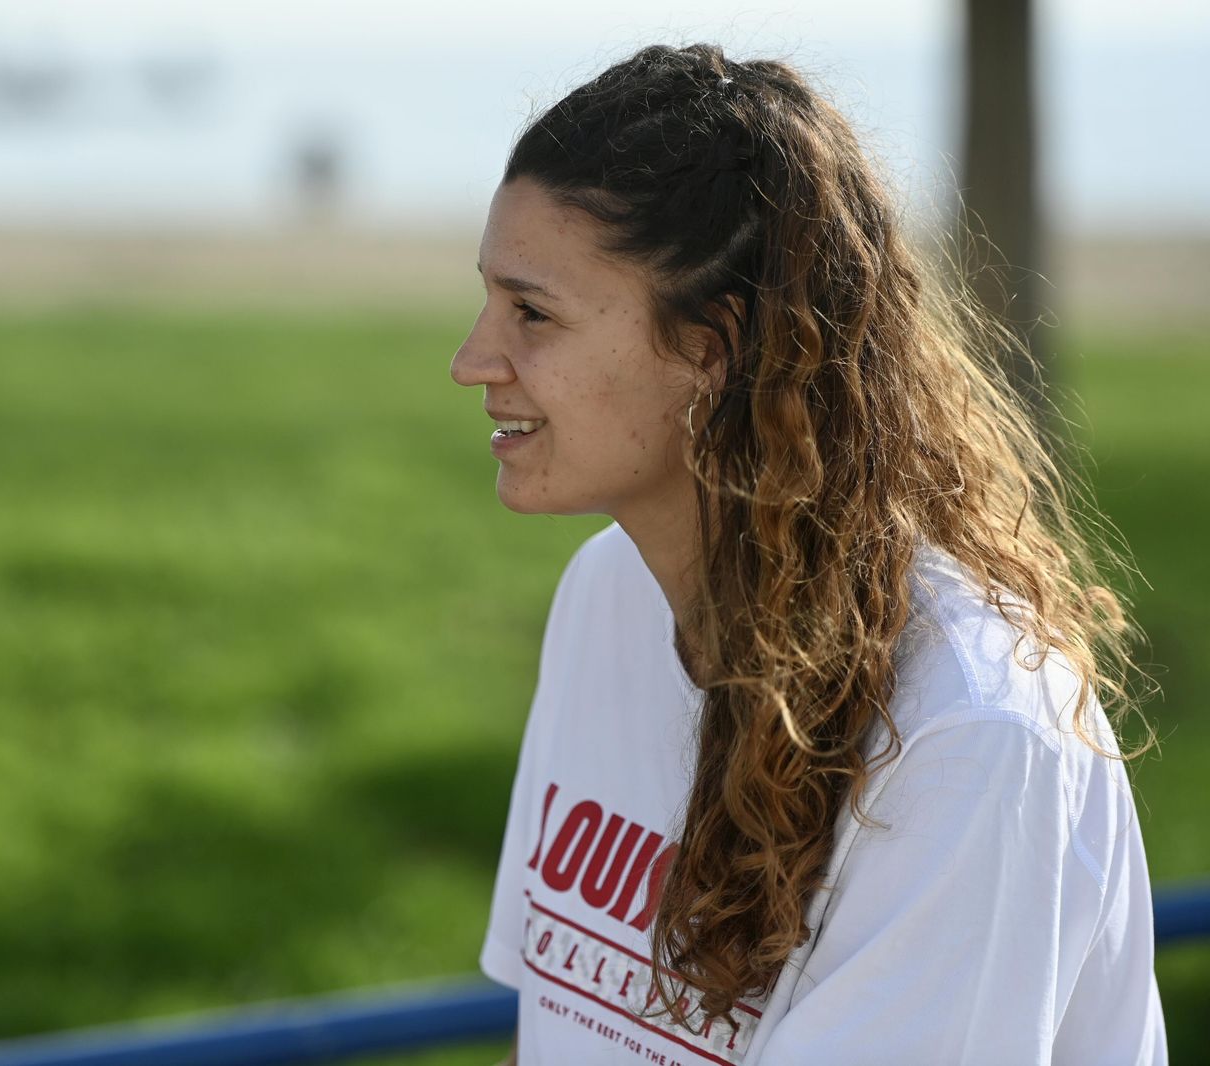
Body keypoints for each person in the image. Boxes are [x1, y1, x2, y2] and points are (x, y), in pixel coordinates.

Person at [450, 42, 1165, 1065]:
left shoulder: (969, 739)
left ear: (714, 346)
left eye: (531, 312)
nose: (471, 359)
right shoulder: (605, 597)